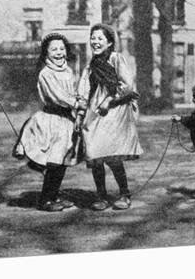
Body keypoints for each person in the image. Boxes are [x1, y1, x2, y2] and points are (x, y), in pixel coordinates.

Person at [76, 24, 143, 211]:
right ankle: (102, 196)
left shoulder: (116, 59)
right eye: (93, 38)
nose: (95, 42)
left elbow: (127, 85)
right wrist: (81, 112)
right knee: (95, 152)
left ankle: (124, 194)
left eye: (100, 39)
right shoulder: (91, 65)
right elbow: (84, 89)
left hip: (114, 111)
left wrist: (109, 100)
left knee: (112, 154)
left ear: (110, 42)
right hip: (94, 110)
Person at [14, 32, 81, 212]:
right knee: (54, 160)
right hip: (52, 120)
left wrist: (79, 99)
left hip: (67, 119)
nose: (59, 53)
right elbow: (57, 96)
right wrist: (76, 103)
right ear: (46, 54)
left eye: (62, 49)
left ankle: (54, 195)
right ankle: (45, 199)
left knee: (63, 160)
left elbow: (73, 91)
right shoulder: (46, 73)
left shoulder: (68, 71)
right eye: (54, 50)